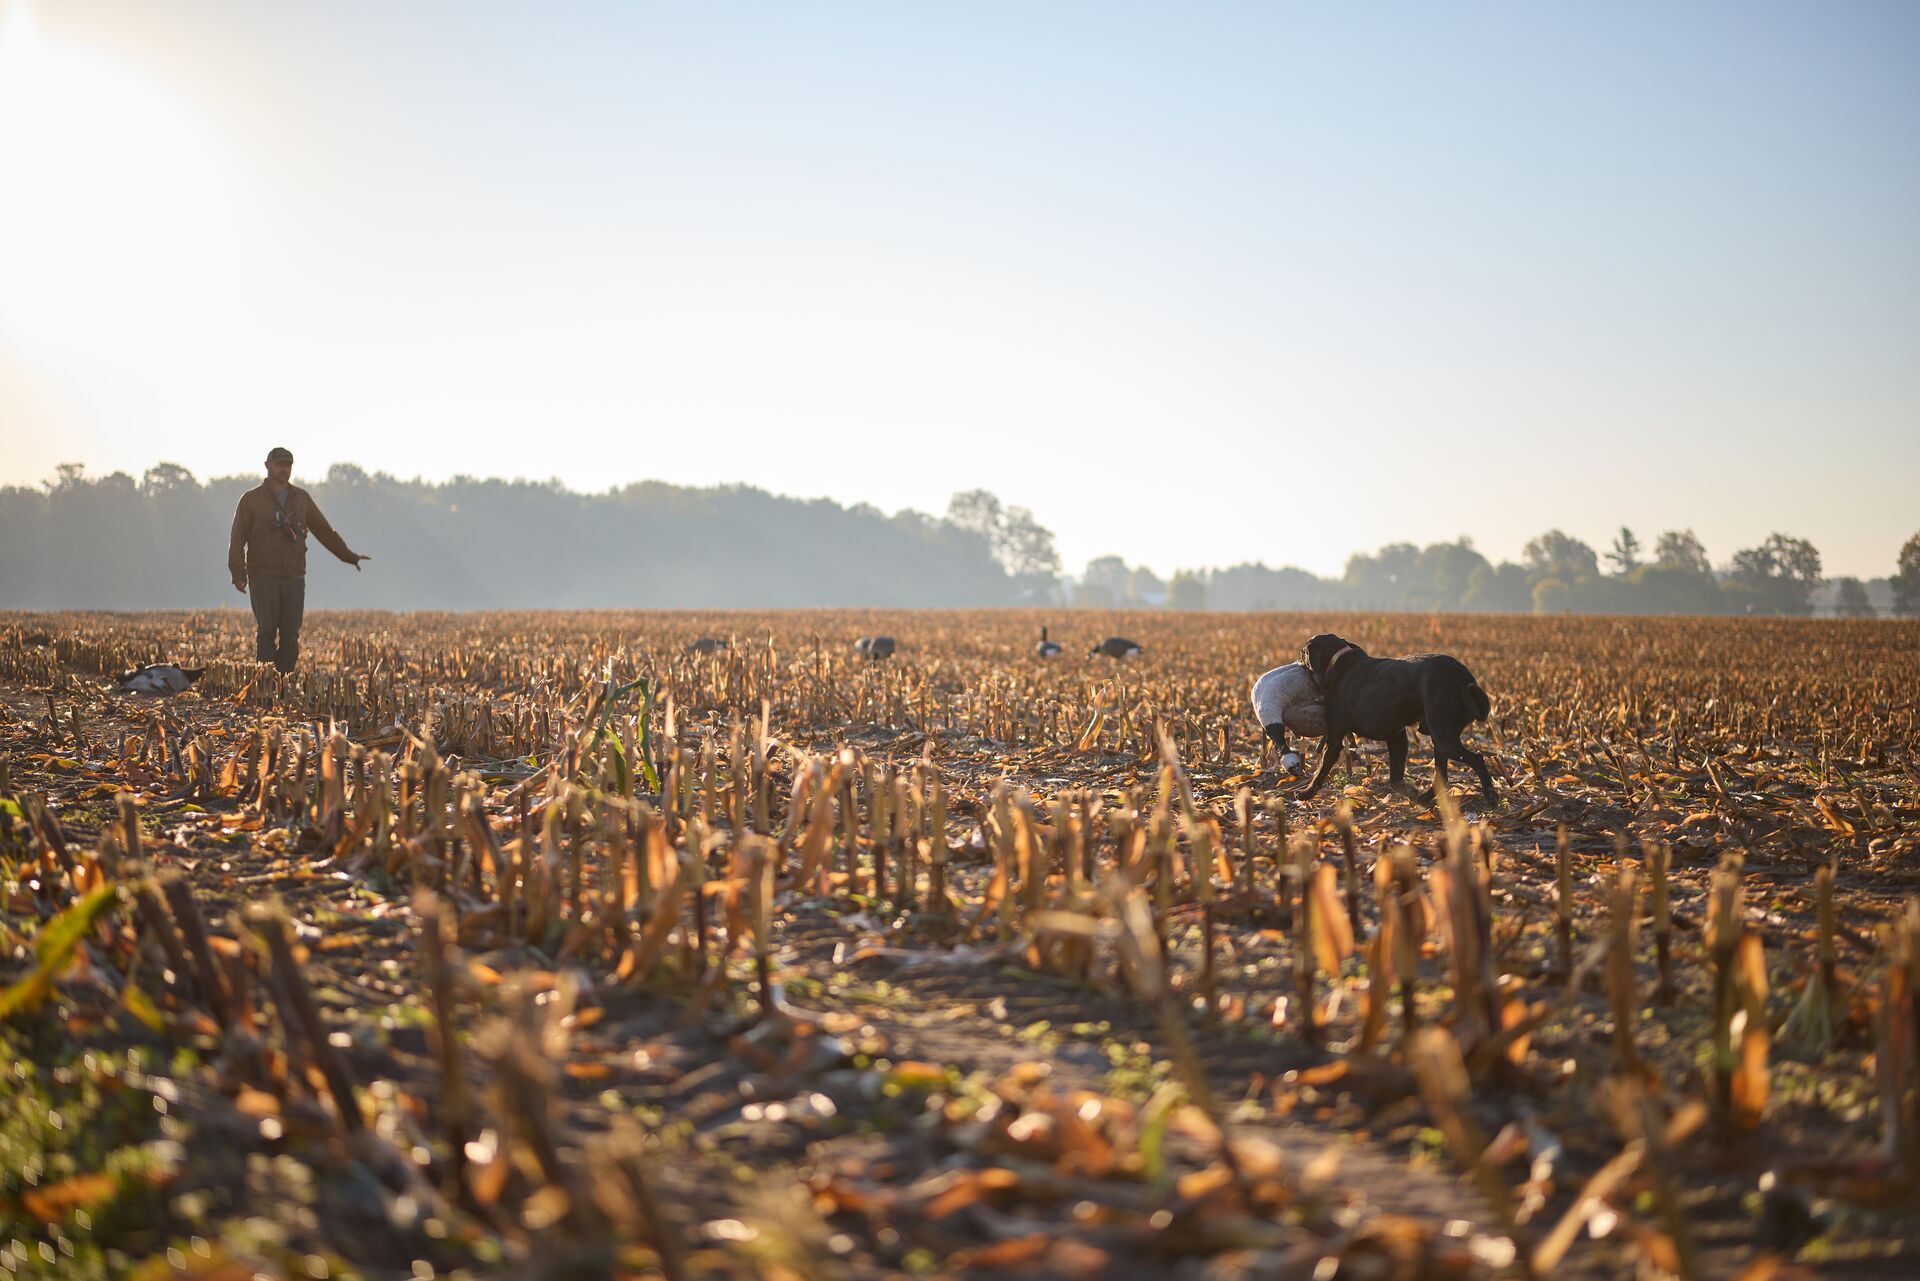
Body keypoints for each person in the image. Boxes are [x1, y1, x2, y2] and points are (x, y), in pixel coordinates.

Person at [228, 447, 369, 673]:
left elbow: (324, 531)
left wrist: (349, 556)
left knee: (291, 635)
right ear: (267, 466)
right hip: (262, 576)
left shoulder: (301, 498)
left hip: (294, 576)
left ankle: (284, 686)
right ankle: (266, 687)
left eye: (288, 465)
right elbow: (237, 539)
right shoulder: (250, 500)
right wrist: (238, 574)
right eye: (279, 464)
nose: (284, 469)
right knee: (266, 632)